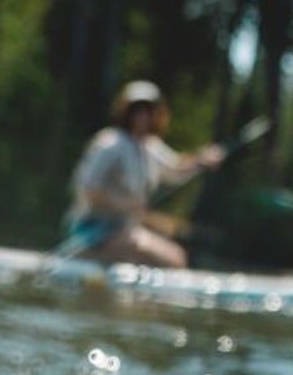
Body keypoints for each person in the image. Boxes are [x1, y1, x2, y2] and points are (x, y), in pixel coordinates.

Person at [63, 79, 225, 266]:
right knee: (173, 260)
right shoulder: (110, 143)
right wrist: (126, 206)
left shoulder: (150, 146)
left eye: (149, 111)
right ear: (126, 111)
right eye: (137, 110)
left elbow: (176, 169)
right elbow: (90, 190)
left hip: (125, 230)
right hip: (93, 231)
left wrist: (202, 160)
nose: (143, 116)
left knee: (177, 256)